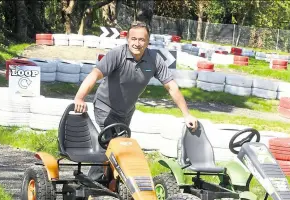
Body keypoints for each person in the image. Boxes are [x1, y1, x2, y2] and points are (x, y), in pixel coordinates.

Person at [73, 21, 198, 180]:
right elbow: (94, 75)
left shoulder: (154, 59)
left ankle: (107, 183)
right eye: (133, 39)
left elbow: (171, 87)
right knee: (113, 145)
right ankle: (94, 183)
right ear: (127, 39)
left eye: (141, 40)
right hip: (105, 107)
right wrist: (79, 97)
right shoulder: (117, 54)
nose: (137, 43)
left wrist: (187, 114)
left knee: (117, 149)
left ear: (148, 41)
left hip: (126, 112)